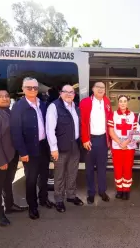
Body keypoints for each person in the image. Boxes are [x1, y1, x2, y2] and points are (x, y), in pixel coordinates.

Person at [10, 77, 52, 220]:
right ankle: (32, 206)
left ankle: (43, 198)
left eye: (35, 87)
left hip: (43, 146)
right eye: (29, 87)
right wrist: (22, 152)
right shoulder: (18, 107)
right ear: (23, 89)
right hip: (29, 149)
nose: (33, 90)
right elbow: (16, 132)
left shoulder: (43, 104)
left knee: (44, 176)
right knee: (31, 179)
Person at [0, 87, 28, 227]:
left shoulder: (9, 112)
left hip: (11, 156)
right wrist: (1, 160)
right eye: (1, 96)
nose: (5, 98)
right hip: (0, 158)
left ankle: (9, 206)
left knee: (8, 183)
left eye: (7, 96)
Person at [46, 84, 83, 213]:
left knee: (72, 172)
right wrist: (53, 148)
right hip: (60, 147)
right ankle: (59, 199)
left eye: (71, 92)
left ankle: (71, 196)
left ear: (74, 94)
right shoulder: (54, 107)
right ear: (60, 93)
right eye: (65, 92)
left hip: (74, 145)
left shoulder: (75, 107)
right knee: (59, 174)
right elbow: (50, 130)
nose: (68, 94)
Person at [79, 81, 113, 204]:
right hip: (90, 140)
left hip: (103, 139)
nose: (100, 89)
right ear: (92, 89)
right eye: (98, 87)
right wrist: (85, 139)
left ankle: (102, 191)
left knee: (102, 168)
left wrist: (110, 139)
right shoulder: (85, 102)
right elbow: (82, 122)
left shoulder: (107, 102)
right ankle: (91, 193)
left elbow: (110, 120)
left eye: (103, 88)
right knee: (89, 169)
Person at [108, 95, 138, 200]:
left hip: (129, 147)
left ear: (127, 103)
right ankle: (119, 190)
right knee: (118, 168)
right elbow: (111, 131)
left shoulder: (133, 115)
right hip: (117, 146)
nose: (123, 103)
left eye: (125, 101)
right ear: (118, 102)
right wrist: (120, 142)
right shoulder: (113, 115)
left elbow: (135, 132)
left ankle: (126, 190)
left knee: (127, 168)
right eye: (121, 101)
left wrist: (126, 142)